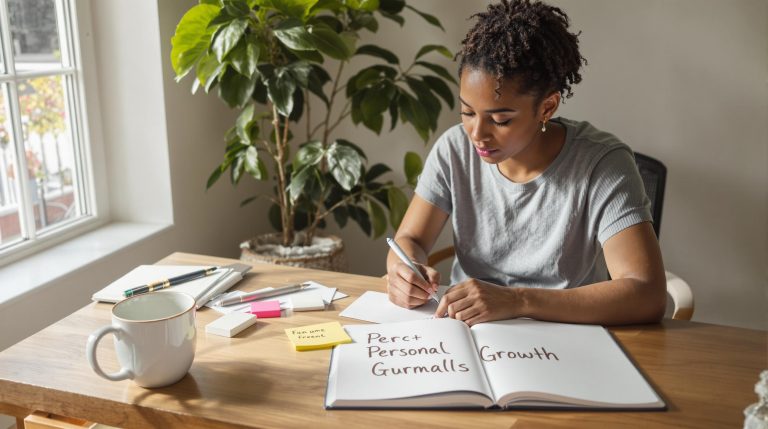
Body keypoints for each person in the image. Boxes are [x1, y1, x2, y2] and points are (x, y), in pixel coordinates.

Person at [385, 0, 666, 326]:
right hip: (468, 334)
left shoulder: (602, 164)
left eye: (501, 120)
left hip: (568, 338)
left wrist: (518, 300)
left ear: (547, 107)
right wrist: (403, 269)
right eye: (467, 112)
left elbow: (646, 294)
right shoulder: (453, 150)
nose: (477, 134)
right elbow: (411, 240)